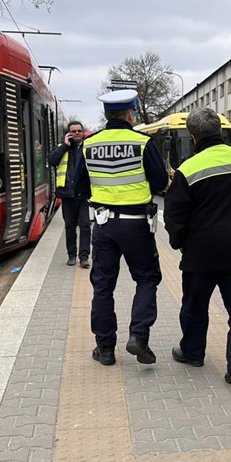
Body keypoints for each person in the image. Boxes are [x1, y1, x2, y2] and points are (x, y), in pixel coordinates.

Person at [164, 108, 231, 385]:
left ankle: (193, 353)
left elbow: (174, 214)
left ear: (193, 137)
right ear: (219, 130)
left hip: (200, 254)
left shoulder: (187, 170)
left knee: (194, 307)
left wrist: (178, 242)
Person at [78, 90, 168, 366]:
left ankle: (105, 349)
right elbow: (161, 182)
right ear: (131, 114)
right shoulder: (142, 142)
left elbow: (79, 186)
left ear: (106, 115)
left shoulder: (89, 144)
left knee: (103, 286)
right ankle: (138, 336)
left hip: (103, 225)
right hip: (137, 225)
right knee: (146, 278)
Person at [49, 120, 91, 267]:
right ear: (68, 133)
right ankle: (71, 255)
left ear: (82, 132)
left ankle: (84, 257)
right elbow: (52, 160)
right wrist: (65, 146)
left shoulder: (88, 147)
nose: (76, 133)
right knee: (70, 227)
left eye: (79, 131)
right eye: (73, 131)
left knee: (85, 226)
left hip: (84, 194)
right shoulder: (62, 148)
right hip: (67, 195)